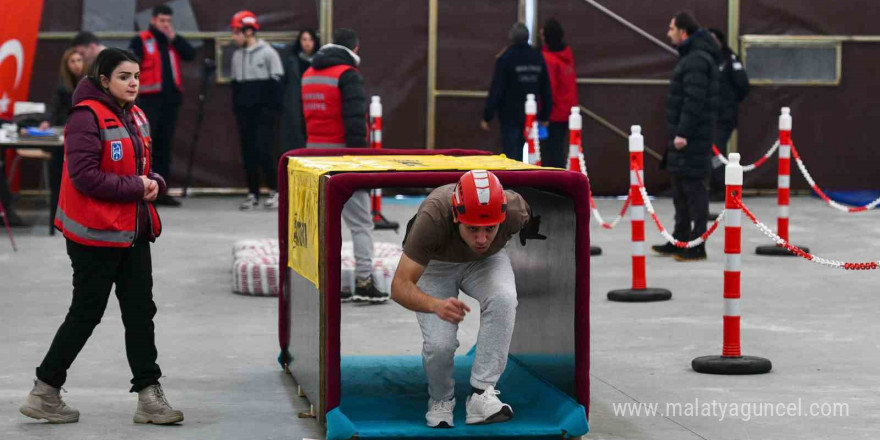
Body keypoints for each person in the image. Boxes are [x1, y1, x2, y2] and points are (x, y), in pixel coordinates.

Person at [20, 48, 183, 425]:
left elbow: (143, 167)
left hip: (133, 231)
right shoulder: (85, 118)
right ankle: (45, 390)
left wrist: (154, 182)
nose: (134, 83)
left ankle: (149, 396)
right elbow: (84, 177)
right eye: (124, 76)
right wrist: (138, 185)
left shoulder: (138, 116)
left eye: (137, 76)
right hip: (94, 235)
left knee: (141, 312)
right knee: (86, 313)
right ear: (104, 80)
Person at [391, 170, 545, 428]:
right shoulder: (434, 216)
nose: (482, 238)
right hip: (436, 264)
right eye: (473, 229)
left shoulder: (515, 210)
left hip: (486, 263)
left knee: (504, 298)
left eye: (490, 228)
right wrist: (434, 305)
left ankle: (481, 393)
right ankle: (441, 399)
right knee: (440, 344)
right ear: (455, 216)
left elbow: (529, 220)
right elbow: (398, 286)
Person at [302, 28, 387, 302]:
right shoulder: (348, 75)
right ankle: (364, 282)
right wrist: (359, 165)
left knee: (323, 224)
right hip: (343, 157)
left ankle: (327, 283)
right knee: (361, 223)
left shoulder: (308, 75)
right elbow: (353, 124)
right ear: (356, 49)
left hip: (313, 157)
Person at [653, 11, 720, 262]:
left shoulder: (696, 60)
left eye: (671, 29)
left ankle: (697, 244)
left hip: (692, 138)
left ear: (684, 32)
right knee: (679, 188)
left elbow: (695, 100)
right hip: (685, 136)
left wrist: (683, 133)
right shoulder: (690, 57)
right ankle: (680, 239)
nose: (668, 33)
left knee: (694, 189)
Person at [129, 5, 195, 207]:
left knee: (165, 146)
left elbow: (190, 54)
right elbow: (130, 64)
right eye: (162, 21)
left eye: (168, 21)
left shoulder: (171, 41)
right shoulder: (141, 39)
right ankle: (145, 190)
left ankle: (162, 191)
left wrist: (173, 37)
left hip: (170, 100)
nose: (166, 25)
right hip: (149, 100)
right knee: (147, 145)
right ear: (153, 20)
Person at [229, 10, 284, 210]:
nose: (234, 36)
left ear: (249, 31)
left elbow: (277, 84)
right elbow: (235, 85)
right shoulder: (236, 56)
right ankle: (252, 193)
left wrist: (271, 111)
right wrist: (237, 109)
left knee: (265, 150)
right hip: (245, 113)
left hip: (264, 113)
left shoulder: (268, 53)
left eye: (237, 32)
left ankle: (274, 191)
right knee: (248, 152)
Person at [481, 23, 552, 162]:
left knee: (510, 155)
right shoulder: (537, 57)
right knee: (527, 152)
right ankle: (523, 182)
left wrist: (487, 116)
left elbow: (497, 89)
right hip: (530, 115)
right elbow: (545, 88)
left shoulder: (506, 58)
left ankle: (512, 183)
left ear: (511, 38)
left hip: (509, 115)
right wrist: (545, 115)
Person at [39, 48, 87, 227]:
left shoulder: (89, 83)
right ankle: (58, 214)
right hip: (64, 133)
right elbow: (53, 107)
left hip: (84, 135)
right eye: (72, 61)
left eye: (79, 60)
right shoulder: (62, 85)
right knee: (58, 169)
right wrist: (46, 121)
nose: (76, 64)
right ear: (66, 65)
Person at [708, 28, 749, 201]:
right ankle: (714, 186)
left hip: (724, 116)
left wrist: (728, 102)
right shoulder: (704, 59)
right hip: (707, 116)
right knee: (710, 151)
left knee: (716, 151)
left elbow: (743, 86)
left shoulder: (730, 59)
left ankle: (721, 187)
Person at [540, 18, 578, 168]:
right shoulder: (567, 55)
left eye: (542, 35)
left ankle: (551, 186)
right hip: (567, 111)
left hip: (553, 114)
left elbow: (549, 90)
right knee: (558, 149)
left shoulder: (549, 60)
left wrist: (544, 114)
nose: (541, 38)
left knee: (550, 153)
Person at [279, 29, 320, 150]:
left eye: (310, 40)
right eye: (304, 39)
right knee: (295, 134)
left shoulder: (319, 62)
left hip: (314, 101)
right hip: (295, 101)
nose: (307, 43)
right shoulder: (292, 60)